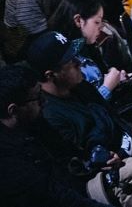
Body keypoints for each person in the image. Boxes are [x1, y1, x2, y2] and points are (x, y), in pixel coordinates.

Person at [25, 31, 132, 203]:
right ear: (51, 75)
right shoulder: (51, 118)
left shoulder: (81, 86)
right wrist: (110, 161)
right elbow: (83, 169)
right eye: (71, 61)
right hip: (124, 174)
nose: (79, 62)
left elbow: (117, 119)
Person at [0, 64, 108, 206]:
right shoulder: (9, 161)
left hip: (80, 184)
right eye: (38, 97)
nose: (44, 101)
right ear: (13, 110)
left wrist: (99, 159)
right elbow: (56, 196)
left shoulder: (34, 123)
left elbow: (68, 152)